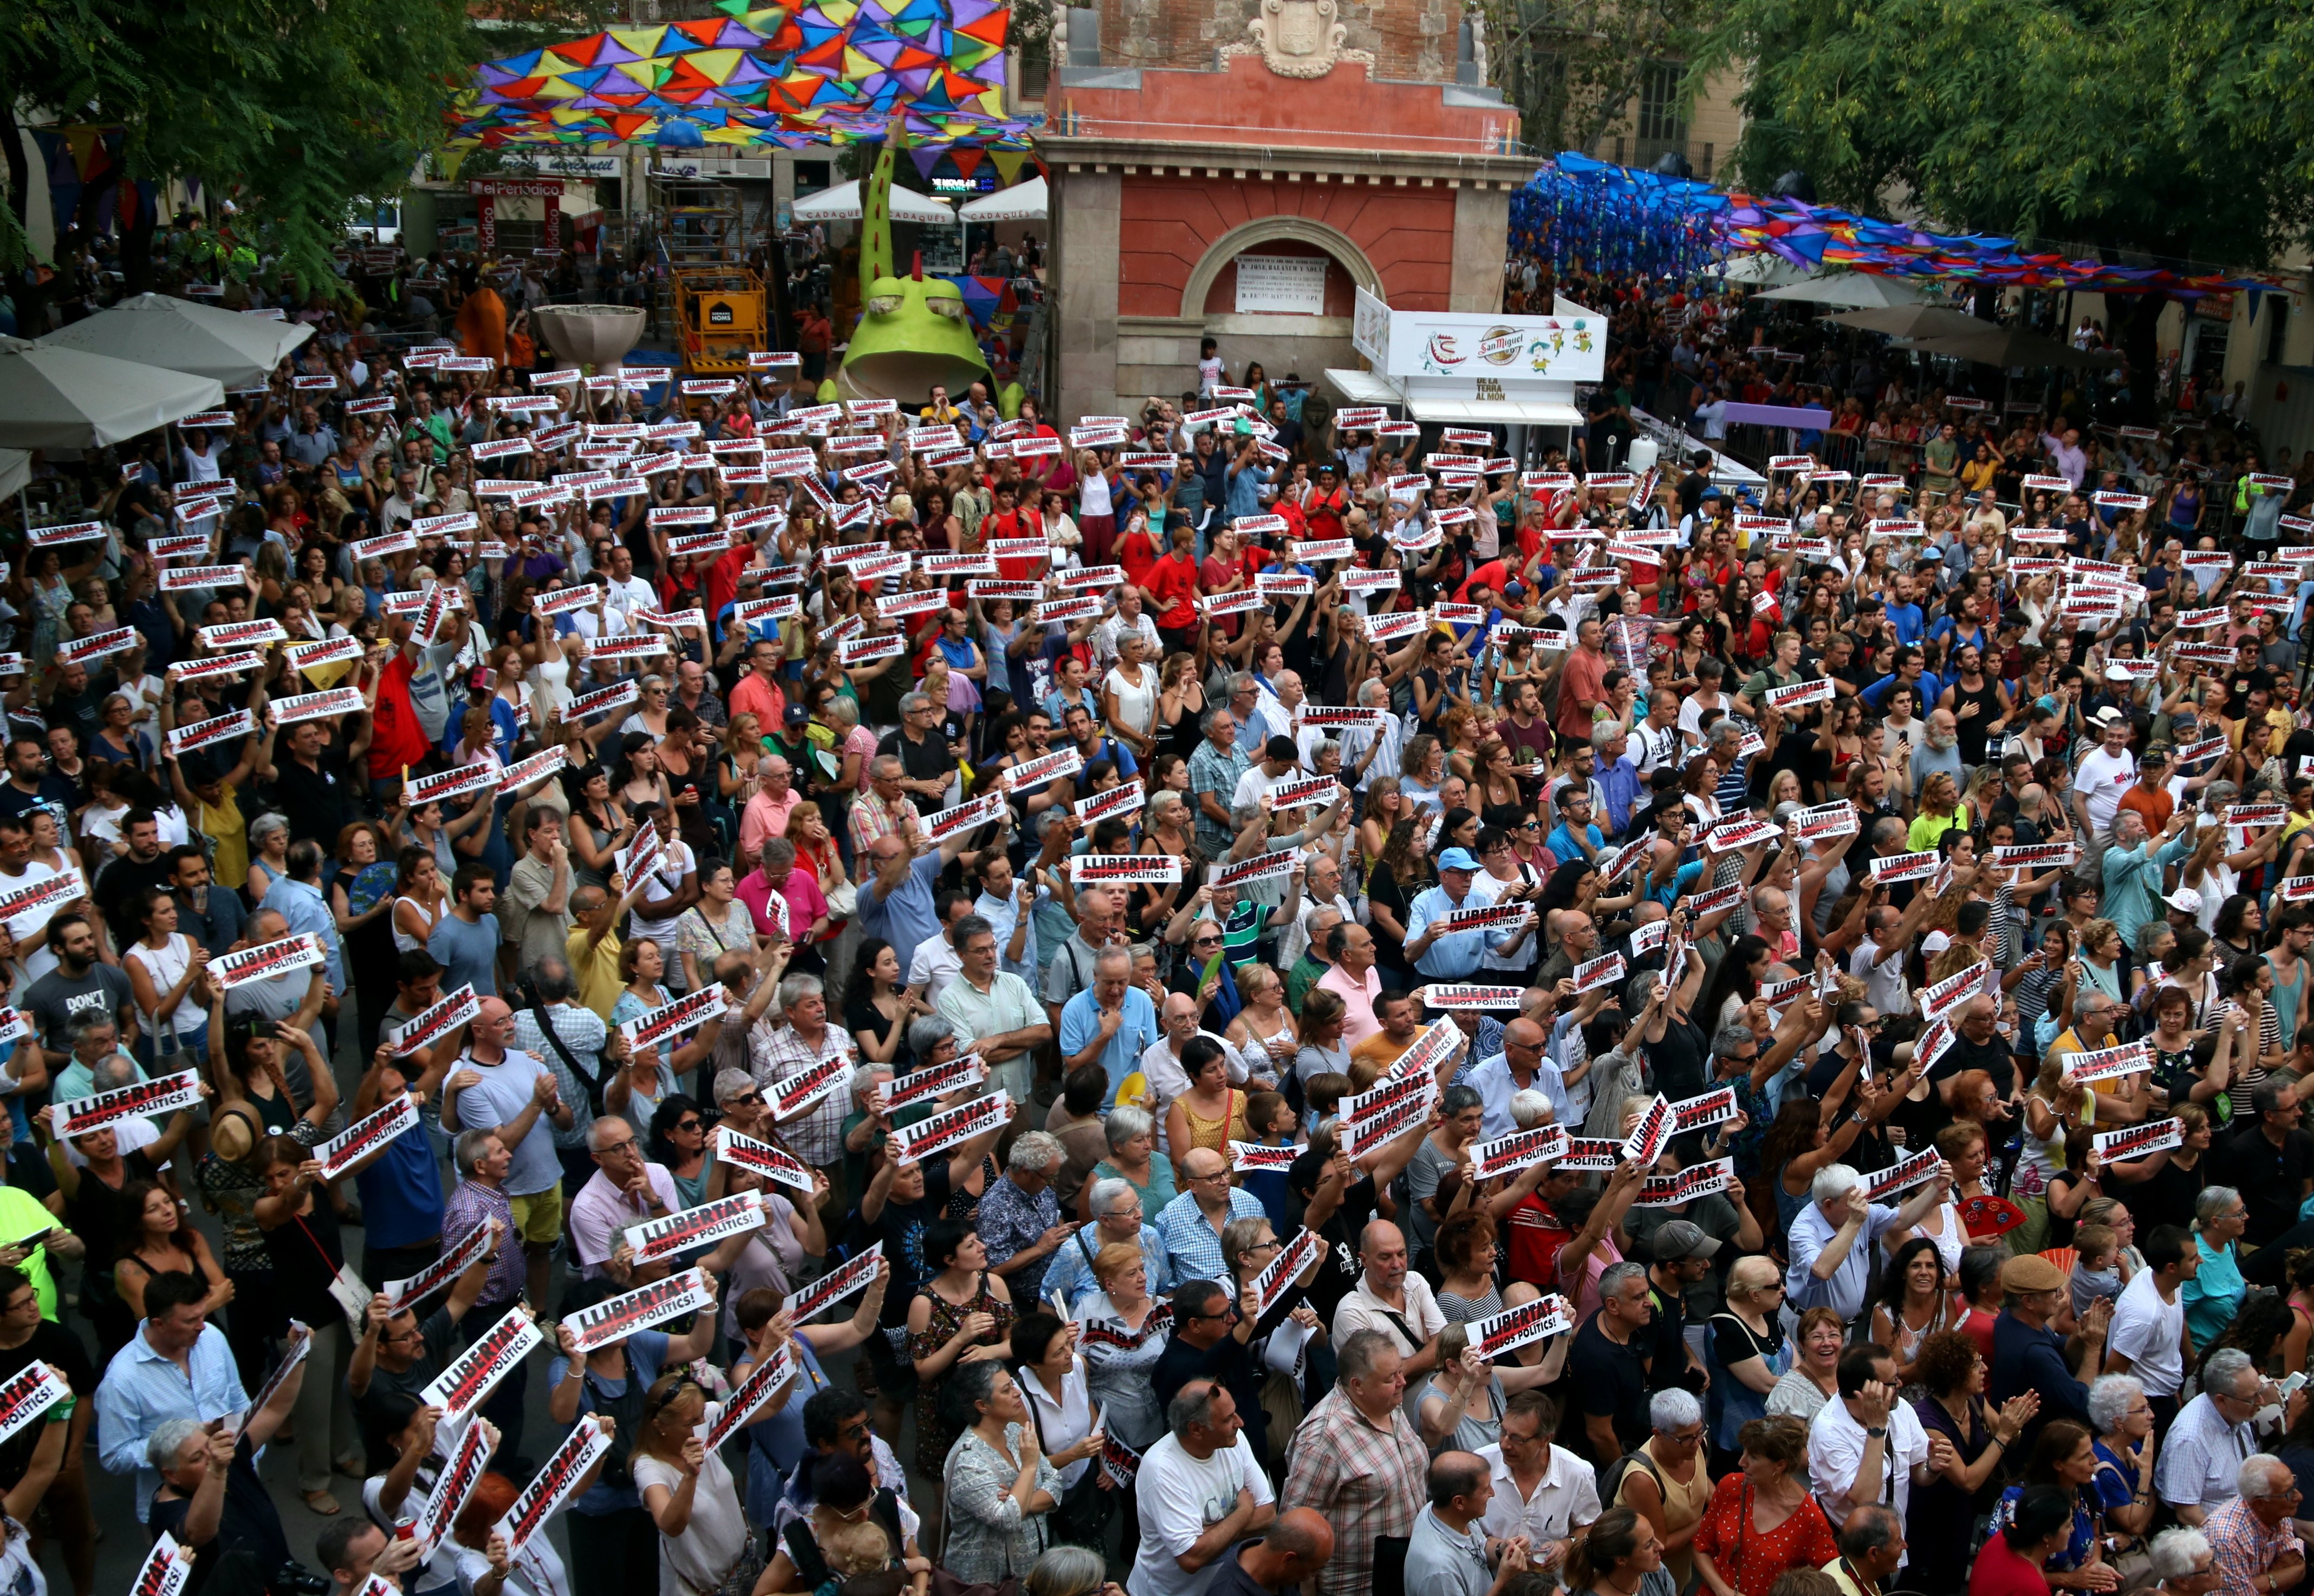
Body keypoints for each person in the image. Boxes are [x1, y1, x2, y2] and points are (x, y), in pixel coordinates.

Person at [1281, 1328, 1428, 1596]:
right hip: (1358, 1587)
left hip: (1410, 1572)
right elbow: (1296, 1529)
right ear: (1357, 1384)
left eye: (1399, 1371)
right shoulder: (1322, 1438)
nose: (1402, 1382)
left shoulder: (1389, 1403)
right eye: (1389, 1378)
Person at [95, 1269, 249, 1524]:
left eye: (202, 1315)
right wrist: (180, 1446)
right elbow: (114, 1456)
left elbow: (238, 1400)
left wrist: (252, 1457)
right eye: (190, 1321)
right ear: (159, 1323)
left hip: (238, 1487)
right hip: (179, 1510)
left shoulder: (212, 1337)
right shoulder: (122, 1379)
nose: (201, 1326)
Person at [1132, 1378, 1277, 1596]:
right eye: (1228, 1419)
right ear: (1196, 1430)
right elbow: (1191, 1558)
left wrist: (1209, 1536)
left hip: (1222, 1588)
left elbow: (1268, 1515)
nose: (1240, 1423)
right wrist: (1245, 1511)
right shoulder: (1161, 1470)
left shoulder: (1233, 1439)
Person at [629, 1370, 752, 1596]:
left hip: (745, 1570)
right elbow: (670, 1525)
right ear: (660, 1426)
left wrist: (784, 1361)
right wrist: (690, 1475)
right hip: (702, 1589)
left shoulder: (704, 1420)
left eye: (703, 1414)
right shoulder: (648, 1467)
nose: (703, 1424)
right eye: (691, 1422)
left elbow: (766, 1405)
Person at [942, 1360, 1063, 1584]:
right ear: (982, 1406)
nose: (1017, 1393)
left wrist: (1016, 1500)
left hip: (1028, 1573)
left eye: (1012, 1385)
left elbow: (1055, 1483)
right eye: (1007, 1390)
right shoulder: (967, 1461)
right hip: (987, 1584)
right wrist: (1028, 1468)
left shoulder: (1016, 1431)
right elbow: (1008, 1519)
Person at [1691, 1413, 1838, 1596]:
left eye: (1753, 1457)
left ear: (1780, 1465)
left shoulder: (1810, 1519)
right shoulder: (1731, 1487)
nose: (1741, 1462)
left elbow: (1830, 1579)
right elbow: (1700, 1547)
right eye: (1744, 1452)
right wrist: (1722, 1590)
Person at [1808, 1344, 1941, 1544]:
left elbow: (1918, 1474)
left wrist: (1931, 1467)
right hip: (1851, 1548)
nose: (1900, 1385)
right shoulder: (1828, 1431)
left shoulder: (1901, 1409)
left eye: (1897, 1377)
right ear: (1864, 1391)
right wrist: (1876, 1428)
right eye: (1891, 1382)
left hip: (1892, 1543)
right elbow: (1865, 1500)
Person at [2159, 1348, 2267, 1524]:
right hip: (2207, 1538)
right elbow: (2187, 1513)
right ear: (2222, 1400)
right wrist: (2231, 1543)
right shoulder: (2189, 1439)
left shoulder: (2237, 1410)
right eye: (2253, 1398)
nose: (2261, 1402)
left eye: (2259, 1391)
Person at [1404, 1448, 1532, 1596]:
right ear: (1459, 1502)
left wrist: (1501, 1550)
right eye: (1485, 1489)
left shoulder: (1443, 1513)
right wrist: (1504, 1580)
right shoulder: (1440, 1572)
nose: (1492, 1493)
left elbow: (1479, 1548)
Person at [2202, 1454, 2306, 1596]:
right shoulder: (2227, 1536)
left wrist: (2263, 1582)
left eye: (2294, 1485)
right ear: (2261, 1504)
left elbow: (2299, 1569)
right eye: (2288, 1493)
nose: (2299, 1497)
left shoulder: (2278, 1514)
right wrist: (2278, 1579)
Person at [1973, 1484, 2082, 1596]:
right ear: (2046, 1537)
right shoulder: (2032, 1587)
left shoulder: (2003, 1538)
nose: (2073, 1529)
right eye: (2068, 1525)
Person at [1562, 1506, 1675, 1596]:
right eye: (1648, 1545)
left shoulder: (1658, 1574)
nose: (1661, 1547)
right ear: (1621, 1560)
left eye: (1654, 1537)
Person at [1820, 1503, 1907, 1596]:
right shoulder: (1839, 1592)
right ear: (1873, 1554)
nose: (1905, 1545)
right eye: (1898, 1541)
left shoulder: (1850, 1569)